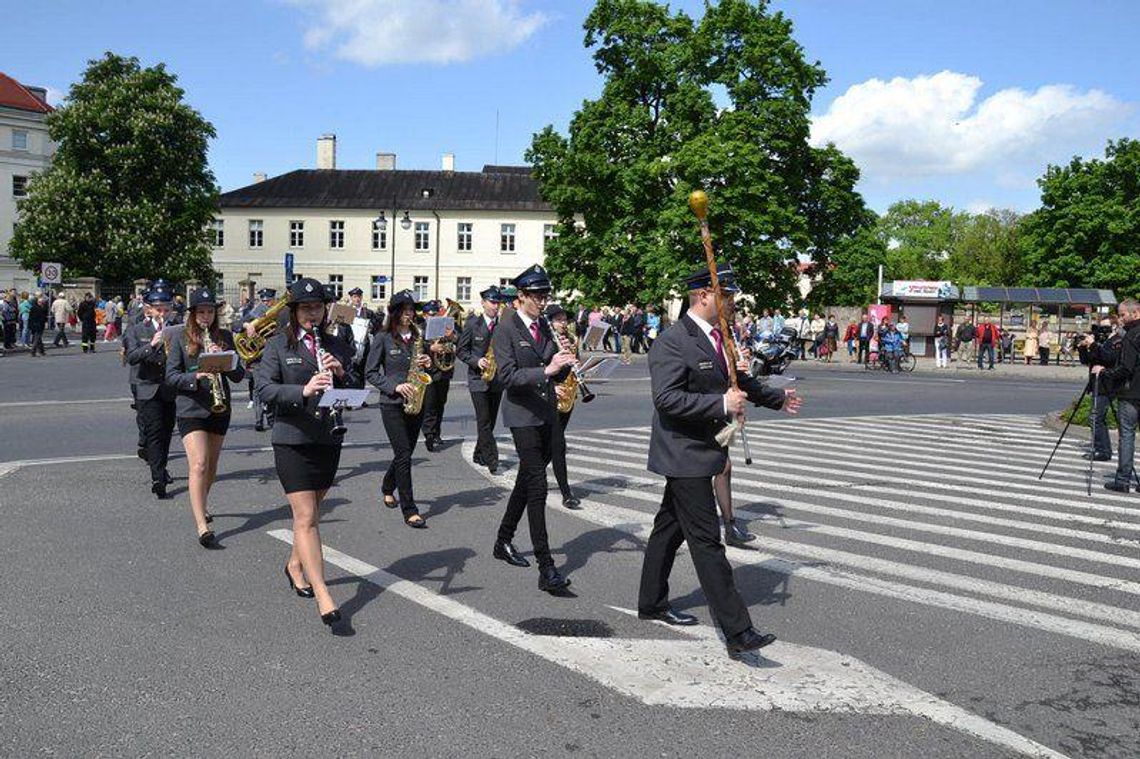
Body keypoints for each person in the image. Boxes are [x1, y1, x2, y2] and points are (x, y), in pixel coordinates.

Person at [639, 263, 800, 658]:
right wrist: (719, 403)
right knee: (708, 543)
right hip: (684, 454)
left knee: (667, 529)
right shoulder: (673, 341)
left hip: (705, 450)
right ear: (703, 296)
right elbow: (667, 399)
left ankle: (651, 602)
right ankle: (738, 632)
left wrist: (775, 399)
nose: (731, 302)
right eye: (725, 295)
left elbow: (738, 381)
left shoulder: (720, 337)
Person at [256, 277, 356, 628]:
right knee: (305, 516)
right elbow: (265, 389)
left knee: (312, 513)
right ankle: (324, 593)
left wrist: (341, 375)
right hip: (292, 438)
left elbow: (355, 391)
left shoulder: (335, 343)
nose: (312, 313)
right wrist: (304, 388)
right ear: (294, 311)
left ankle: (294, 564)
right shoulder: (277, 346)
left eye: (317, 307)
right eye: (305, 308)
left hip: (329, 438)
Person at [490, 264, 577, 593]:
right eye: (538, 296)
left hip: (548, 412)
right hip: (522, 415)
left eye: (546, 296)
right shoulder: (506, 329)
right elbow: (507, 377)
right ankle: (547, 567)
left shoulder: (545, 327)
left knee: (527, 480)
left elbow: (555, 374)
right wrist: (547, 369)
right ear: (521, 297)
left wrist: (568, 366)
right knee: (538, 487)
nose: (543, 302)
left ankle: (503, 541)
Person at [165, 287, 245, 547]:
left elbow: (239, 375)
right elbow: (171, 376)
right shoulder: (179, 337)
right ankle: (202, 525)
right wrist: (195, 377)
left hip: (218, 407)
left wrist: (228, 362)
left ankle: (203, 501)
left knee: (211, 466)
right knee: (198, 464)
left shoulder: (224, 336)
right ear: (192, 313)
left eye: (210, 312)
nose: (206, 317)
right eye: (201, 312)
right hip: (191, 407)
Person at [366, 289, 432, 529]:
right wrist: (395, 386)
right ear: (394, 313)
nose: (409, 315)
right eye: (404, 311)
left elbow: (425, 369)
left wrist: (428, 363)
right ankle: (410, 509)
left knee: (406, 453)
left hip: (415, 402)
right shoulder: (382, 337)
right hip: (392, 404)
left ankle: (387, 486)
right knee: (404, 454)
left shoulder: (417, 336)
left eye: (411, 310)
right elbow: (371, 373)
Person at [124, 284, 178, 498]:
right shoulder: (137, 329)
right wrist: (152, 345)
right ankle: (157, 478)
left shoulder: (178, 328)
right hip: (146, 387)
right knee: (154, 432)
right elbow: (132, 357)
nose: (162, 314)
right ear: (149, 309)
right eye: (158, 309)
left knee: (166, 432)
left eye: (166, 309)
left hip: (169, 387)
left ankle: (161, 468)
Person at [1092, 299, 1140, 492]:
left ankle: (1123, 480)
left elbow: (1126, 368)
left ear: (1135, 313)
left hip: (1131, 392)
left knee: (1127, 435)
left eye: (1123, 315)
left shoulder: (1131, 335)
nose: (1120, 319)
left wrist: (1104, 373)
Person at [457, 285, 504, 474]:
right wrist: (477, 361)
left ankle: (478, 453)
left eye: (497, 302)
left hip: (497, 380)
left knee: (490, 422)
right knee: (484, 420)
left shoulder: (503, 325)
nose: (495, 306)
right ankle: (492, 460)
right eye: (492, 302)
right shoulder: (472, 324)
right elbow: (461, 351)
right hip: (478, 380)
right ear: (483, 303)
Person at [545, 303, 583, 510]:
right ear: (550, 322)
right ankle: (566, 493)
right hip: (550, 396)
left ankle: (529, 479)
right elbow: (543, 369)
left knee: (550, 445)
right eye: (559, 320)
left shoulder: (572, 340)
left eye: (565, 319)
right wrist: (552, 387)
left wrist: (581, 371)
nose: (563, 323)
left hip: (568, 395)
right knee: (558, 445)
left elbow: (577, 364)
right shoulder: (547, 341)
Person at [1079, 317, 1121, 462]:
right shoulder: (1101, 341)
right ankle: (1101, 448)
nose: (1102, 331)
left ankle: (1102, 450)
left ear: (1114, 327)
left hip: (1107, 384)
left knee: (1096, 417)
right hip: (1097, 383)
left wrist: (1095, 345)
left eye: (1105, 327)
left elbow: (1109, 359)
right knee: (1096, 417)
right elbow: (1088, 361)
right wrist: (1083, 346)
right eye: (1100, 327)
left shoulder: (1117, 341)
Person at [420, 301, 456, 452]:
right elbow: (417, 347)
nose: (434, 317)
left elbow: (456, 345)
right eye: (431, 314)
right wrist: (431, 347)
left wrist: (452, 337)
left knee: (441, 403)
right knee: (429, 404)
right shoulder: (420, 330)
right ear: (425, 315)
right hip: (429, 372)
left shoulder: (445, 328)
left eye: (436, 314)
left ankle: (436, 433)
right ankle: (428, 433)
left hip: (444, 371)